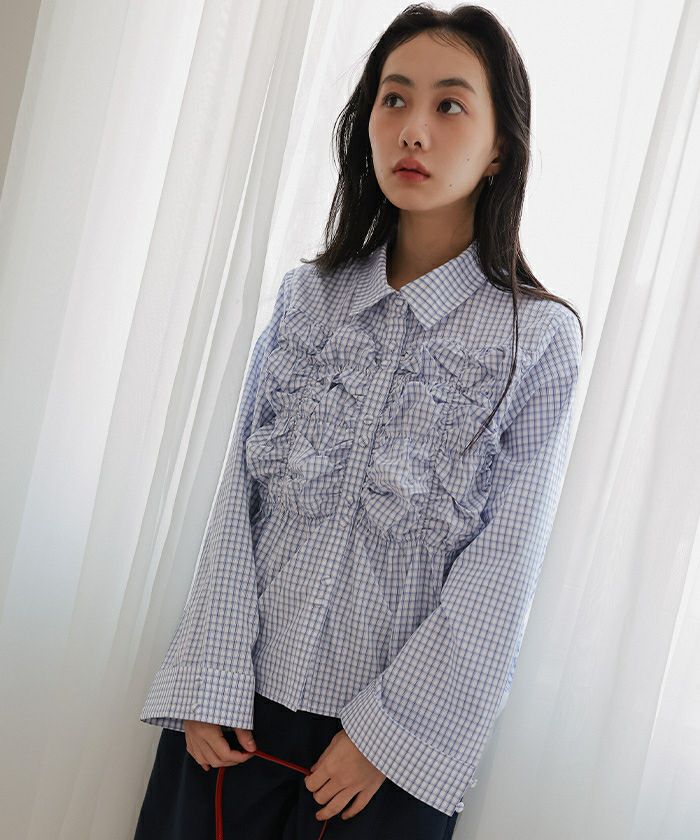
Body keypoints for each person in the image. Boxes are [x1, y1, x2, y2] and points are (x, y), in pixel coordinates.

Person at [133, 4, 584, 839]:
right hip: (231, 724)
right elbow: (236, 500)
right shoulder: (307, 298)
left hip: (382, 762)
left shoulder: (540, 340)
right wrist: (209, 681)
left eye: (450, 105)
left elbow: (504, 568)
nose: (413, 129)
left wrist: (386, 739)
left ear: (500, 149)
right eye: (393, 98)